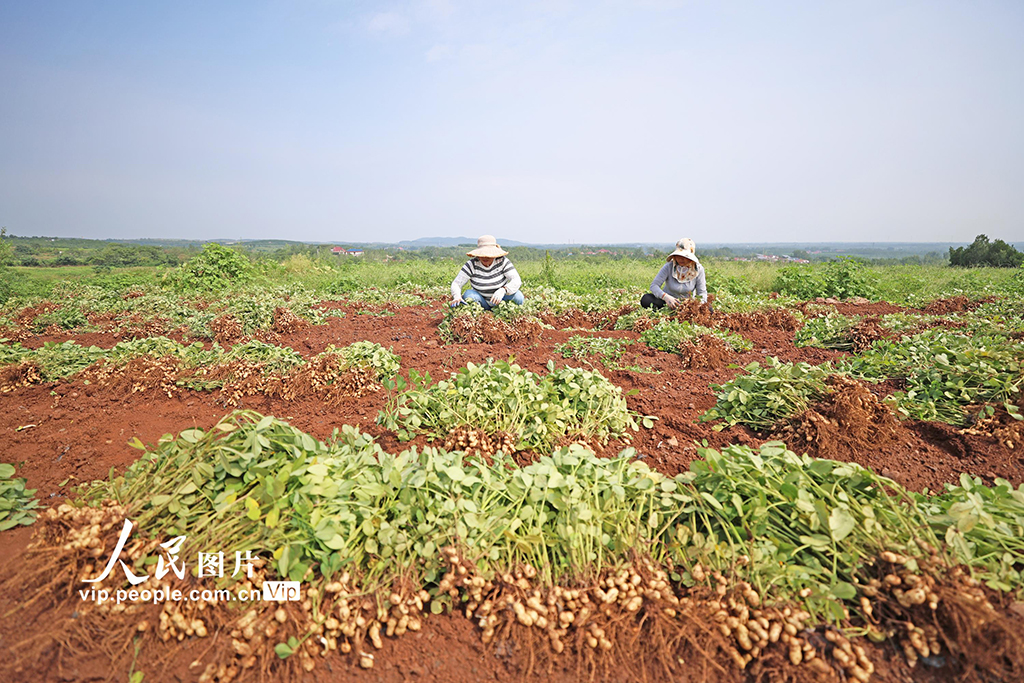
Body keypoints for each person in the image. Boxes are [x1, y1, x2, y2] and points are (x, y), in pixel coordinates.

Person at [450, 235, 525, 310]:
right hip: (482, 302)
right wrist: (457, 296)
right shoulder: (471, 265)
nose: (485, 257)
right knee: (469, 295)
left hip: (501, 300)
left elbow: (516, 280)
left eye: (488, 255)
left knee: (518, 297)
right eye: (482, 255)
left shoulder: (502, 261)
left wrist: (503, 290)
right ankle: (482, 314)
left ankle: (504, 314)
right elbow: (456, 283)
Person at [641, 238, 707, 309]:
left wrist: (698, 306)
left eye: (684, 257)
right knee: (646, 299)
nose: (681, 259)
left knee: (708, 308)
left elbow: (702, 292)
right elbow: (654, 286)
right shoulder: (669, 266)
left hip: (687, 304)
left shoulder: (698, 269)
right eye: (679, 256)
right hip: (667, 302)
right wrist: (666, 297)